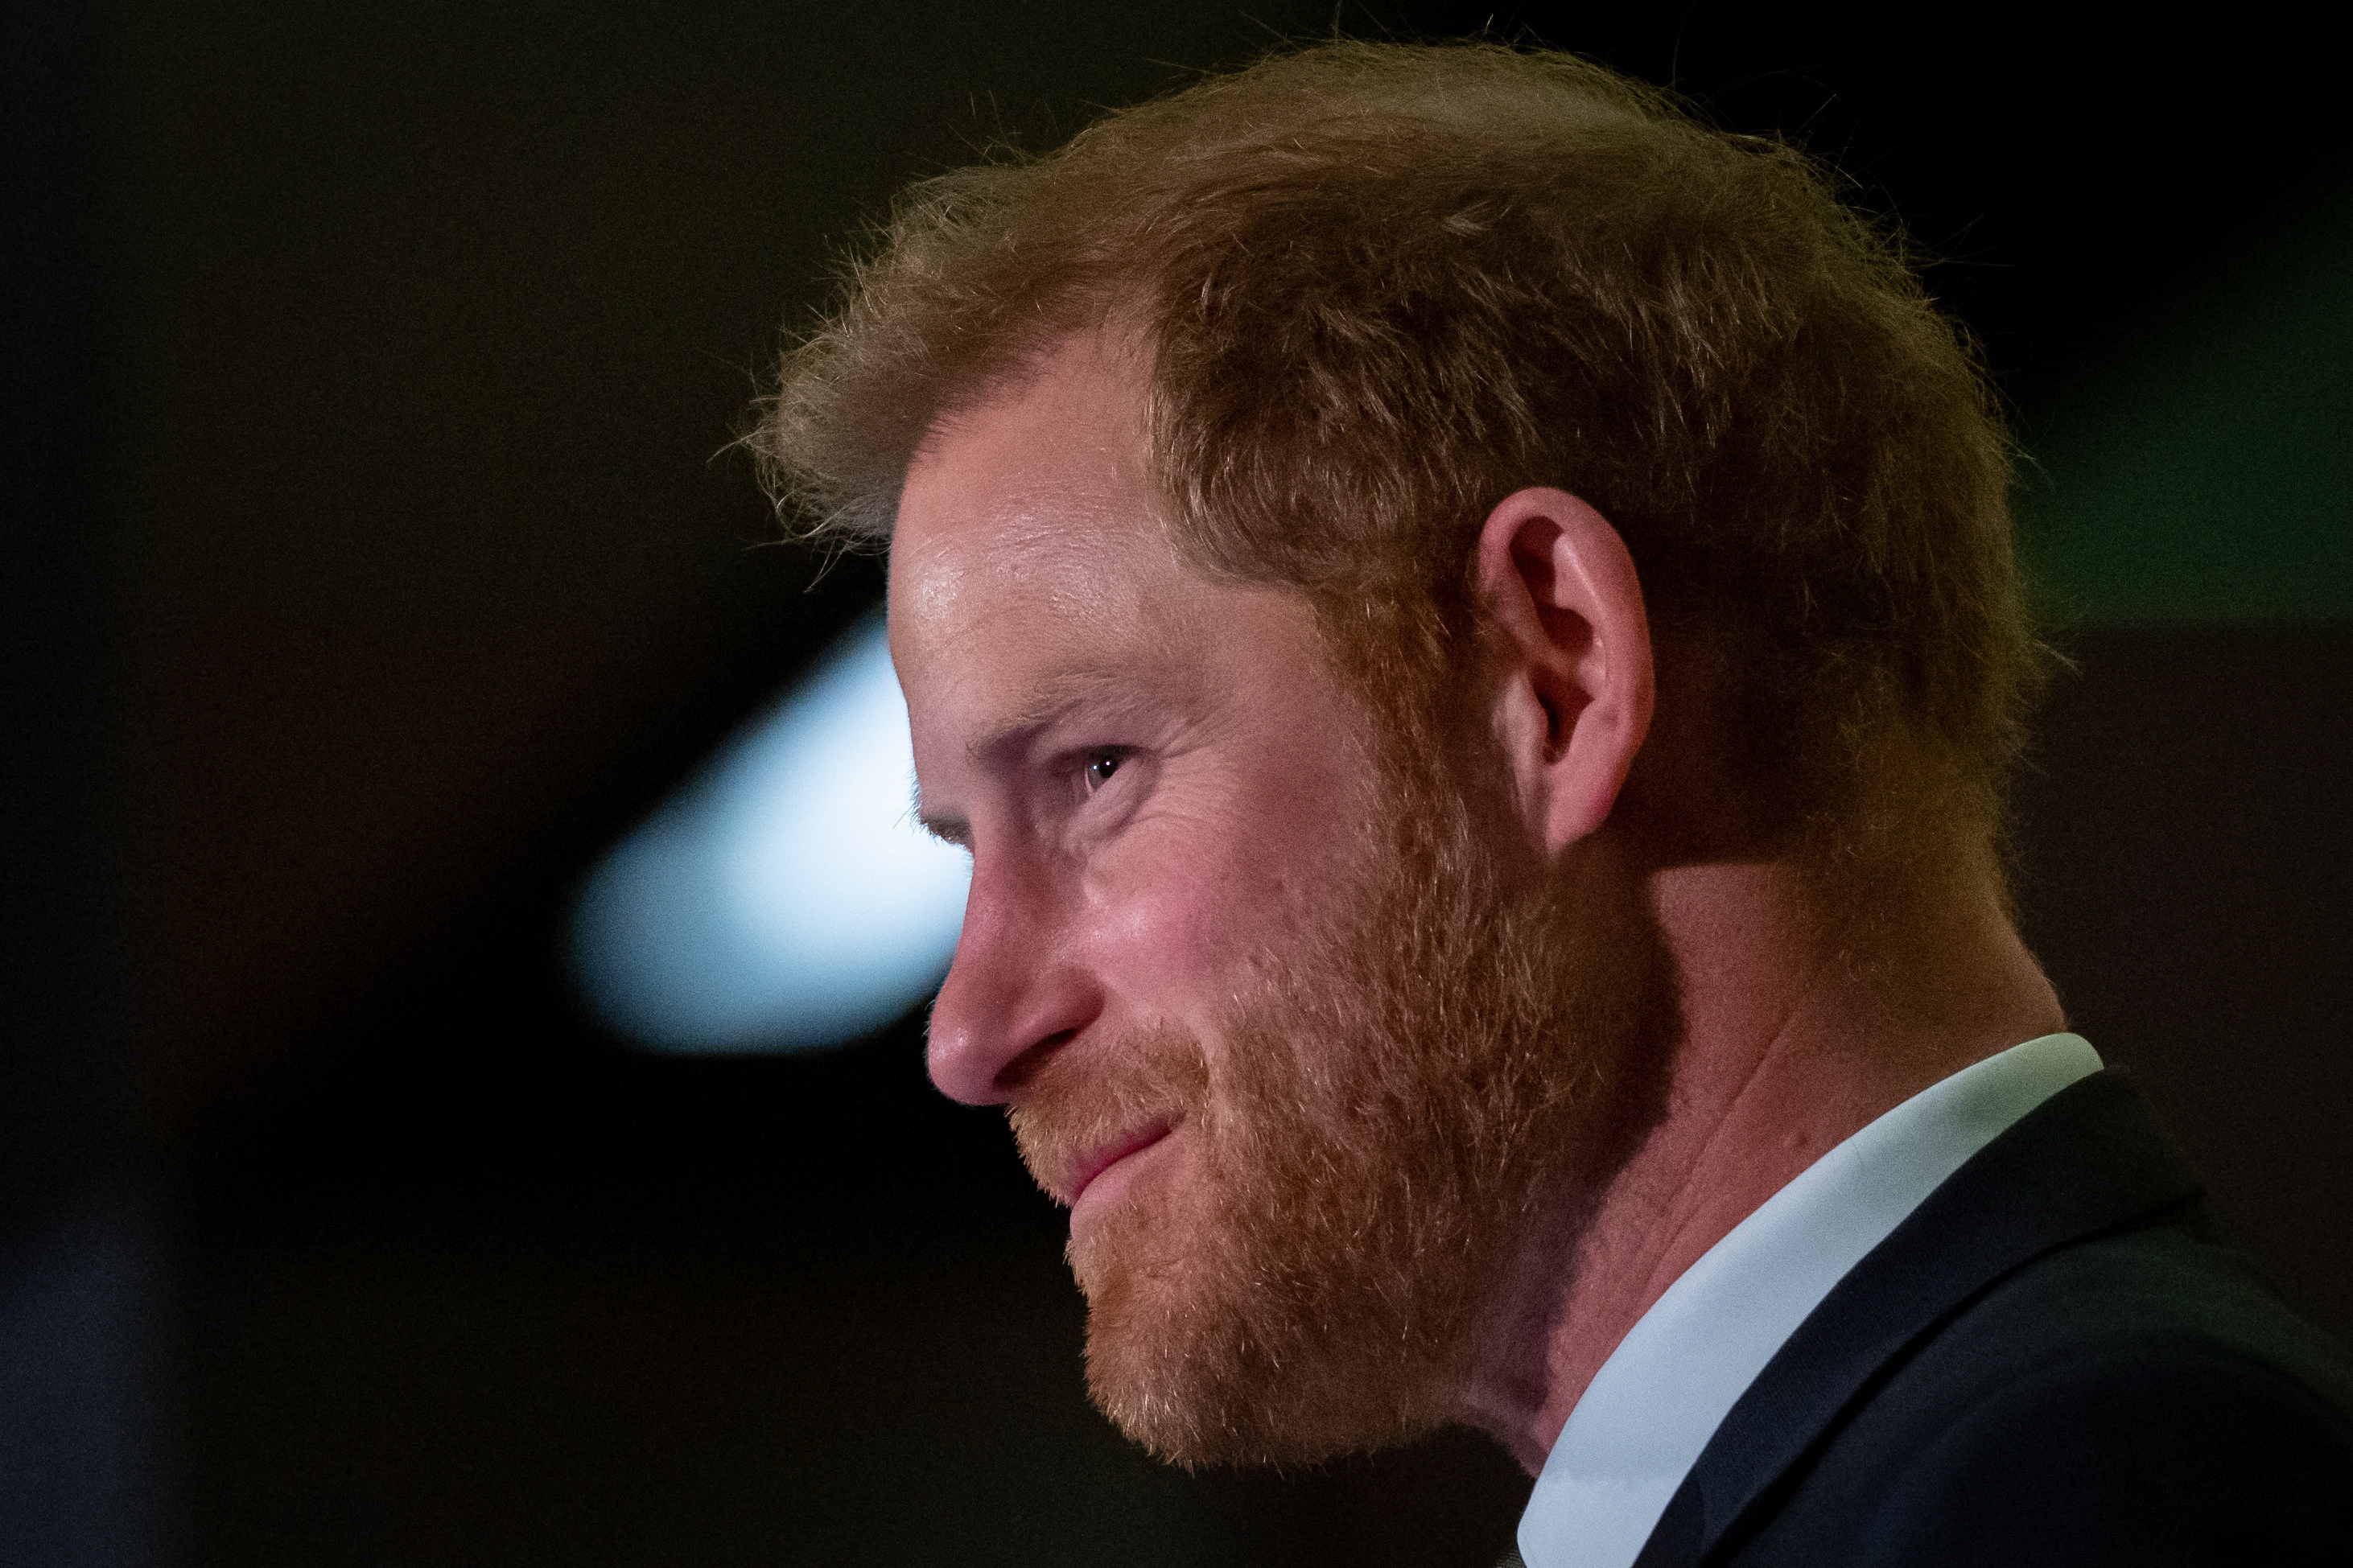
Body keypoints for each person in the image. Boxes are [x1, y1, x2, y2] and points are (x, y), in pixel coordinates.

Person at [751, 40, 2353, 1566]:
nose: (968, 1037)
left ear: (1557, 671)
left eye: (1092, 775)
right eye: (963, 845)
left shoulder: (2082, 1499)